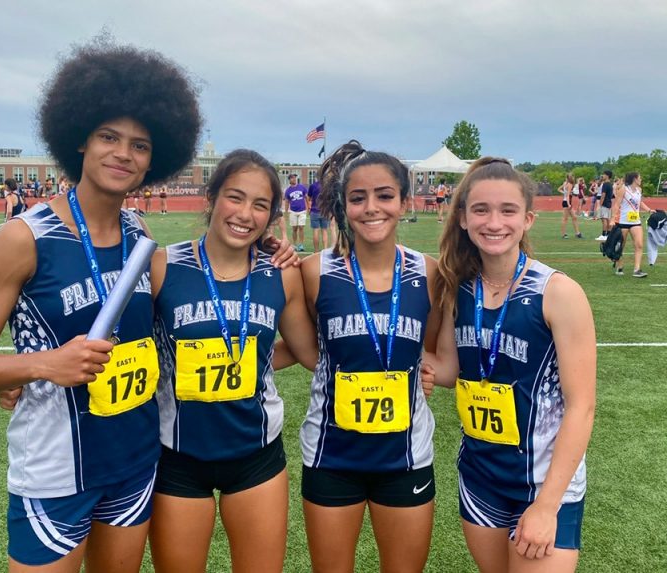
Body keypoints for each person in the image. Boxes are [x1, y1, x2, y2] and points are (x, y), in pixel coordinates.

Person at [0, 39, 203, 572]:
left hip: (134, 461)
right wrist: (38, 365)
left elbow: (195, 286)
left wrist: (273, 251)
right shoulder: (24, 238)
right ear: (80, 140)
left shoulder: (140, 235)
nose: (123, 154)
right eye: (109, 136)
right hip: (55, 470)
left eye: (140, 145)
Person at [148, 149, 318, 573]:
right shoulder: (162, 266)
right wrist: (32, 372)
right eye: (235, 197)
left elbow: (306, 352)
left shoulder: (280, 274)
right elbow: (119, 343)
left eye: (260, 205)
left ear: (272, 216)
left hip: (255, 454)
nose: (245, 213)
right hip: (177, 454)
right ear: (212, 198)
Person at [432, 157, 596, 572]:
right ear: (464, 219)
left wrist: (546, 505)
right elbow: (450, 371)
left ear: (528, 219)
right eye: (481, 210)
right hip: (481, 478)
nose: (494, 222)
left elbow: (582, 407)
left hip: (543, 483)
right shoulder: (459, 290)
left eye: (508, 211)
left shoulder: (557, 292)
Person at [297, 140, 449, 573]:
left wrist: (428, 372)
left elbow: (434, 351)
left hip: (405, 456)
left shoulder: (430, 273)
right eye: (357, 198)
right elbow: (308, 350)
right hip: (331, 454)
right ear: (343, 206)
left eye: (384, 195)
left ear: (405, 201)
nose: (371, 208)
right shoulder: (314, 273)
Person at [612, 171, 654, 278]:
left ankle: (637, 269)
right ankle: (619, 265)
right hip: (623, 222)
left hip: (636, 222)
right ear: (635, 179)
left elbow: (639, 202)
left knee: (639, 245)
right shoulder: (623, 189)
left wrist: (649, 210)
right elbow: (616, 204)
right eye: (640, 178)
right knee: (621, 246)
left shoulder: (639, 190)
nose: (641, 180)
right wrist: (612, 219)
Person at [285, 173, 308, 251]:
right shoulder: (288, 191)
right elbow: (287, 202)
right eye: (292, 178)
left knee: (301, 227)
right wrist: (286, 212)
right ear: (289, 180)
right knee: (294, 229)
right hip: (293, 211)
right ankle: (294, 245)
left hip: (302, 210)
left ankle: (301, 245)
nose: (294, 179)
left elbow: (306, 197)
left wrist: (308, 207)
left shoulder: (302, 187)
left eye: (295, 177)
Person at [307, 176, 329, 251]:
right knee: (324, 231)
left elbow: (308, 197)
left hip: (314, 211)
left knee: (316, 231)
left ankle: (316, 250)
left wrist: (309, 206)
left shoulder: (313, 186)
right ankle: (325, 249)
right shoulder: (327, 186)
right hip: (324, 211)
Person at [559, 174, 581, 239]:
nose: (574, 178)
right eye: (573, 177)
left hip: (566, 201)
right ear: (571, 178)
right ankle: (563, 234)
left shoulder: (565, 183)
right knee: (565, 219)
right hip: (567, 202)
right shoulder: (570, 184)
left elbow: (560, 189)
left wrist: (565, 193)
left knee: (574, 217)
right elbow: (568, 195)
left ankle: (577, 233)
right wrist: (569, 204)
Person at [596, 170, 615, 241]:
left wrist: (600, 205)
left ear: (607, 176)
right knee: (607, 219)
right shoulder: (610, 184)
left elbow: (603, 195)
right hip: (608, 203)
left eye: (603, 175)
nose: (602, 176)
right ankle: (608, 234)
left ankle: (604, 235)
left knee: (604, 219)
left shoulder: (605, 184)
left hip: (604, 204)